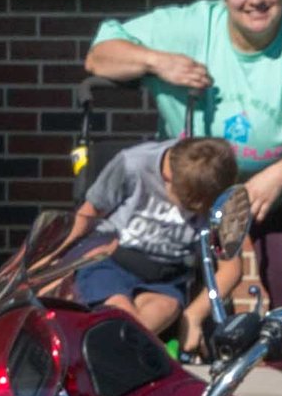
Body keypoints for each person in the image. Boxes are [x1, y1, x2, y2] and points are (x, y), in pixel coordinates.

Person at [84, 0, 282, 308]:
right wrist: (158, 62)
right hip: (195, 191)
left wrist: (280, 175)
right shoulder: (193, 26)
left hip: (276, 194)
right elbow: (99, 57)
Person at [68, 135, 240, 345]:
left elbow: (231, 268)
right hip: (111, 261)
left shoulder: (219, 196)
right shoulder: (133, 164)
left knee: (160, 311)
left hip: (165, 277)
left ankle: (129, 352)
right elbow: (86, 216)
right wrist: (50, 262)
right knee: (120, 315)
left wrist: (193, 316)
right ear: (168, 177)